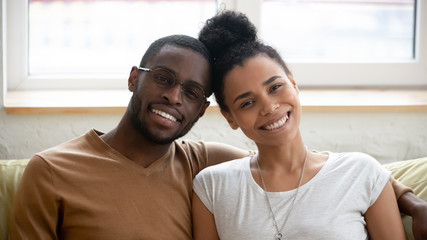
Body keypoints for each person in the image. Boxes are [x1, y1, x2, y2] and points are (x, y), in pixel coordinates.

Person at [8, 33, 426, 239]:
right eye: (164, 80)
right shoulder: (51, 171)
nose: (174, 97)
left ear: (204, 109)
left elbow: (307, 165)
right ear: (135, 78)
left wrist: (408, 199)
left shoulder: (202, 162)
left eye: (191, 92)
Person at [192, 11, 422, 240]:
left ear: (293, 83)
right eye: (248, 102)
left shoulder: (361, 172)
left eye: (275, 87)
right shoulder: (212, 186)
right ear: (230, 117)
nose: (269, 107)